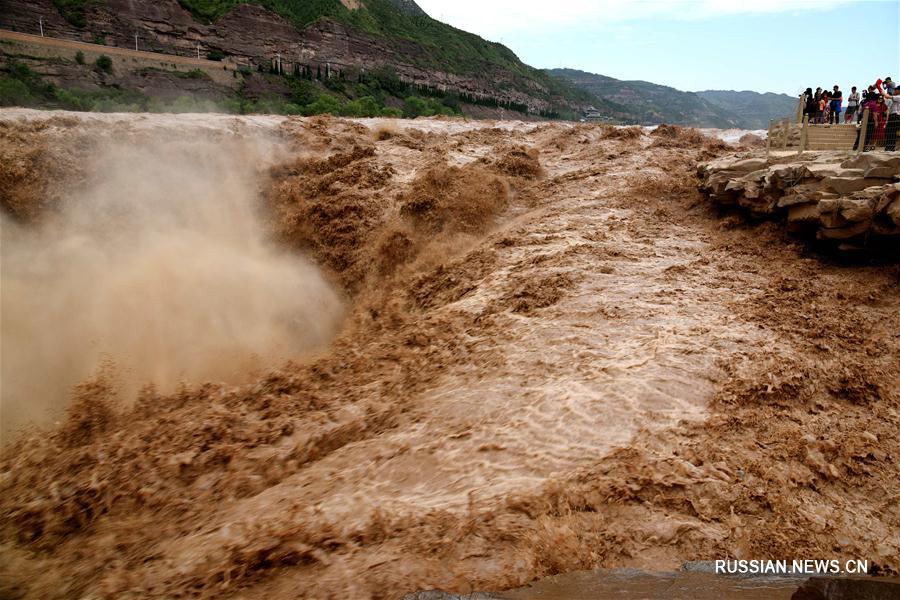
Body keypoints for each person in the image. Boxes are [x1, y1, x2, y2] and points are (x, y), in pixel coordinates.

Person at [883, 85, 900, 151]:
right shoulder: (896, 97)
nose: (894, 91)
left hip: (896, 116)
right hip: (893, 116)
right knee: (890, 132)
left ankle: (890, 147)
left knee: (891, 131)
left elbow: (887, 96)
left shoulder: (899, 97)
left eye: (896, 89)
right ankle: (890, 147)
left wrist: (882, 91)